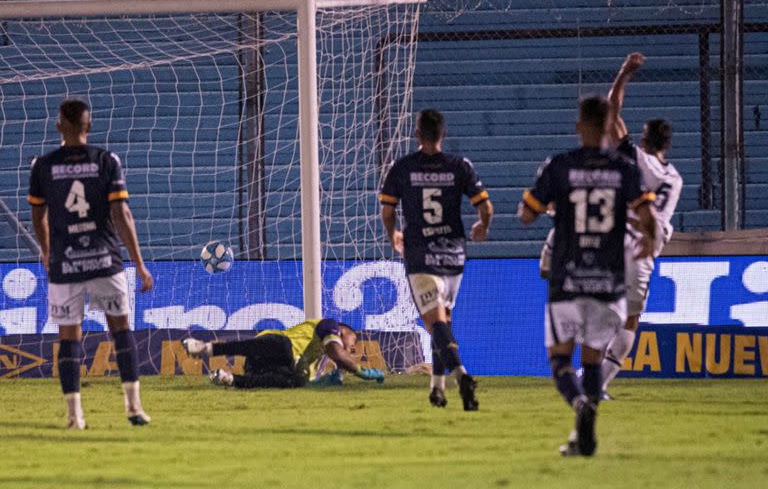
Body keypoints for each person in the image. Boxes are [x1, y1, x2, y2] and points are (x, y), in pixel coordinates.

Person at [519, 95, 656, 456]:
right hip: (607, 281)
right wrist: (649, 238)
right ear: (610, 124)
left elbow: (527, 214)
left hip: (567, 278)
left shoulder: (559, 166)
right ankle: (584, 435)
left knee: (561, 360)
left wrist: (538, 203)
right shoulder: (625, 169)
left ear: (579, 125)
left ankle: (579, 405)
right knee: (593, 358)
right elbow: (648, 216)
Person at [28, 98, 154, 429]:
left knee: (69, 337)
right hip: (104, 260)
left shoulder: (42, 166)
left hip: (65, 265)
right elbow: (122, 213)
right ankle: (134, 408)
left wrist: (46, 251)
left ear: (59, 126)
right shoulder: (105, 160)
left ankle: (74, 416)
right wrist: (139, 263)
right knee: (121, 331)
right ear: (89, 126)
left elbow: (37, 215)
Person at [379, 109, 493, 411]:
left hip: (421, 254)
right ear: (443, 134)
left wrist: (393, 235)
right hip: (454, 254)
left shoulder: (403, 168)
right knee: (442, 321)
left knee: (435, 322)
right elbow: (486, 208)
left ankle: (461, 376)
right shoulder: (459, 166)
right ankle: (437, 388)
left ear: (417, 135)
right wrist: (482, 227)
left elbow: (388, 212)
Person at [601, 53, 683, 396]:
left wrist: (624, 72)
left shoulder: (636, 157)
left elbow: (610, 112)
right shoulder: (676, 179)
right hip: (644, 252)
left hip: (617, 239)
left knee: (602, 308)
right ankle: (598, 382)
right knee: (630, 319)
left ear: (645, 141)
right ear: (667, 144)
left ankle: (588, 374)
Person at [182, 319, 384, 388]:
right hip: (271, 345)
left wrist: (327, 381)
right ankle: (207, 349)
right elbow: (337, 354)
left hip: (259, 367)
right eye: (353, 340)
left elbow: (307, 384)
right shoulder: (329, 325)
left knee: (298, 379)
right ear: (343, 330)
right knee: (282, 348)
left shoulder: (311, 363)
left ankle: (231, 379)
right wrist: (361, 371)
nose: (354, 347)